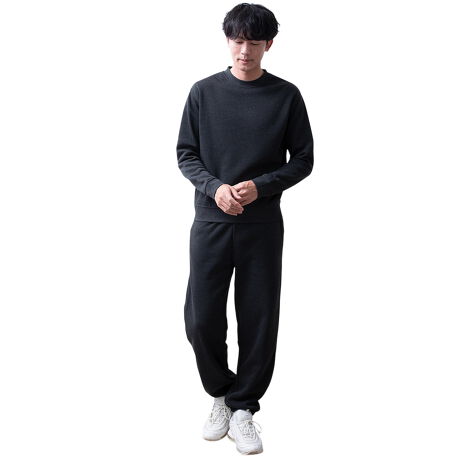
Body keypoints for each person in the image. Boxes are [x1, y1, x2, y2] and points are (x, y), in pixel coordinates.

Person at [176, 3, 314, 455]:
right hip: (210, 220)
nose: (244, 50)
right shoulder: (203, 93)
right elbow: (186, 154)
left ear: (269, 44)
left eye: (254, 42)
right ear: (227, 40)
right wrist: (215, 188)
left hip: (261, 225)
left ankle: (243, 407)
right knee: (201, 318)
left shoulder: (286, 96)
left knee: (259, 317)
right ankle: (220, 392)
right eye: (237, 40)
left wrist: (260, 186)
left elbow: (304, 160)